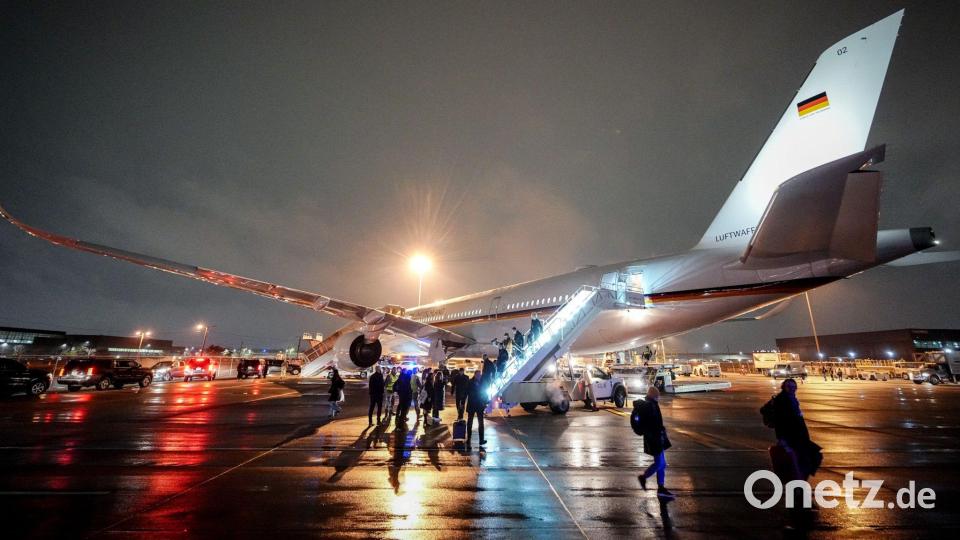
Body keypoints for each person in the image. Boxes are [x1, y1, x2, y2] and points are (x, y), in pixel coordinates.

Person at [771, 378, 822, 480]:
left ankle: (800, 480)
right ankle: (799, 482)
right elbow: (779, 421)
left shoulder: (791, 398)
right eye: (789, 387)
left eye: (794, 387)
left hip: (798, 435)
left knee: (806, 458)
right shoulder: (781, 400)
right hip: (790, 436)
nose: (792, 389)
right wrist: (782, 438)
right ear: (784, 387)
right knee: (802, 460)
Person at [637, 386, 674, 499]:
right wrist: (659, 433)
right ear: (653, 395)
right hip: (655, 439)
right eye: (657, 396)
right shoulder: (650, 406)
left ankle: (661, 487)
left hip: (656, 438)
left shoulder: (651, 404)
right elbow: (653, 424)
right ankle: (644, 477)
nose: (658, 398)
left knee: (662, 464)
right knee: (659, 463)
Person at [465, 369, 488, 447]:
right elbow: (466, 392)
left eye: (480, 375)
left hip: (479, 405)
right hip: (472, 404)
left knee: (481, 423)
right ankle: (468, 439)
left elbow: (485, 392)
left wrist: (485, 402)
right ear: (475, 375)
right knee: (470, 422)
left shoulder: (482, 382)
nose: (479, 376)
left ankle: (481, 440)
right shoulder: (470, 382)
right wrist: (462, 401)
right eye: (478, 375)